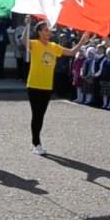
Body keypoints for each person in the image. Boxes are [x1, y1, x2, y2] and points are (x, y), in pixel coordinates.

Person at [24, 16, 90, 155]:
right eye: (46, 30)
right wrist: (27, 25)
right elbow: (24, 41)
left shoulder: (53, 46)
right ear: (39, 32)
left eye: (49, 30)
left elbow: (71, 52)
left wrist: (81, 42)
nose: (49, 32)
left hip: (47, 86)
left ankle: (35, 141)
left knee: (41, 115)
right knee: (36, 114)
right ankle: (36, 143)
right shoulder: (34, 44)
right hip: (34, 84)